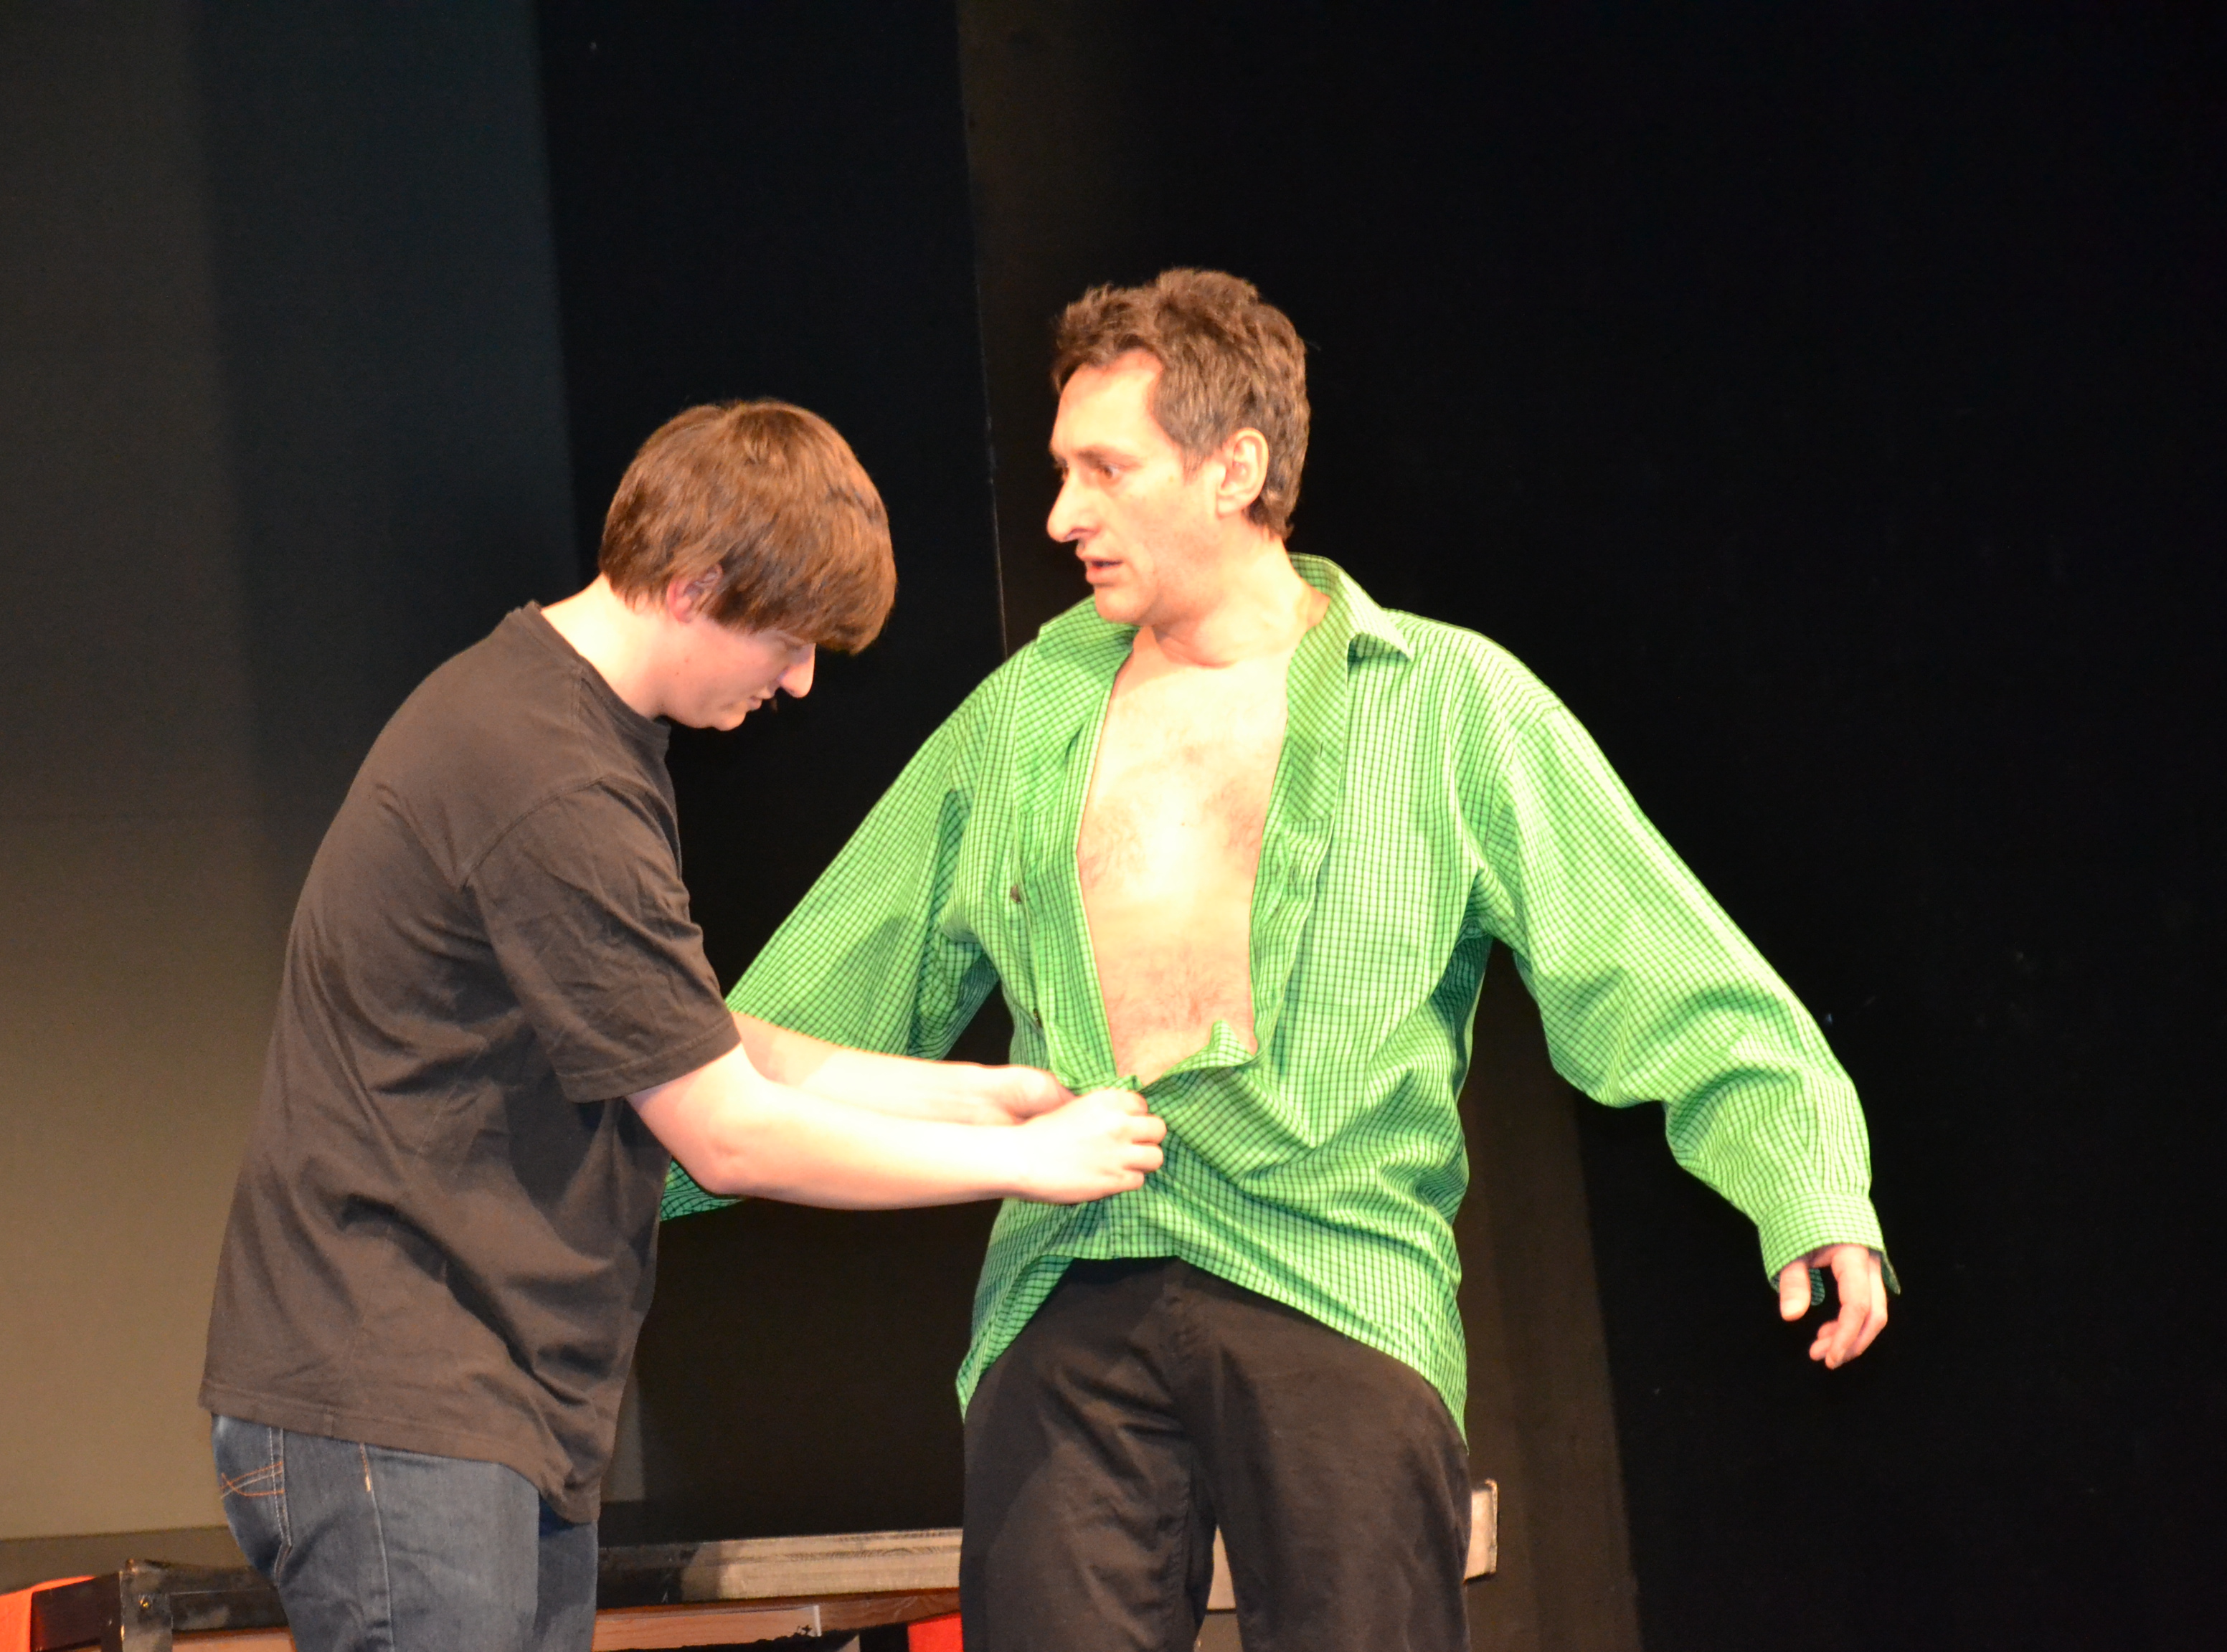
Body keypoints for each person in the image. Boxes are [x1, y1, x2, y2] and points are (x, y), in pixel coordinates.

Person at [706, 273, 1893, 1652]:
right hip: (1071, 1276)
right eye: (1061, 471)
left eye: (1105, 470)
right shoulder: (1027, 713)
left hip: (1333, 1271)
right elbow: (827, 985)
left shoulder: (1445, 702)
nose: (1062, 515)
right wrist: (615, 1133)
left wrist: (1806, 1180)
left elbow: (1653, 956)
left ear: (1235, 470)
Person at [198, 399, 1165, 1652]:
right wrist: (1025, 1166)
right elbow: (726, 1133)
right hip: (399, 1397)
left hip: (482, 1403)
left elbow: (701, 1036)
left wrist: (983, 1097)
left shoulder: (577, 733)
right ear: (694, 588)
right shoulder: (543, 771)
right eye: (789, 639)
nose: (800, 679)